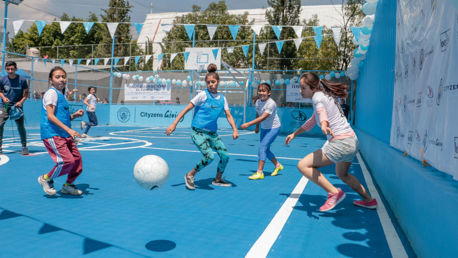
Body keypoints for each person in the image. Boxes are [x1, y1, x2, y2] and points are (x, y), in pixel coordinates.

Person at [285, 72, 377, 211]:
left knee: (303, 165)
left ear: (313, 88)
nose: (300, 90)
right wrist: (294, 134)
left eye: (303, 88)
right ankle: (369, 200)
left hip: (341, 143)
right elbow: (312, 120)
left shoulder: (317, 98)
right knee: (343, 174)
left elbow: (322, 114)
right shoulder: (325, 96)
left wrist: (324, 124)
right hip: (351, 141)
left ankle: (334, 193)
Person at [166, 64, 239, 190]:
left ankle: (217, 179)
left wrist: (235, 129)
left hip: (212, 134)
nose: (210, 84)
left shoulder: (222, 98)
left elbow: (229, 115)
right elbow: (187, 109)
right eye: (208, 82)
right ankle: (190, 175)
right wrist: (174, 124)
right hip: (198, 132)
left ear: (218, 82)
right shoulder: (202, 95)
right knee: (210, 156)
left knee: (225, 156)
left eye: (213, 82)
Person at [37, 66, 85, 196]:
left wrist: (74, 116)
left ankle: (68, 185)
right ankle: (46, 179)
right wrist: (70, 130)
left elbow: (61, 118)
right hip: (53, 133)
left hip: (63, 134)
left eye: (63, 76)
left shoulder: (61, 95)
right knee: (67, 161)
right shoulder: (51, 93)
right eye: (57, 77)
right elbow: (50, 116)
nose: (61, 79)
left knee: (77, 161)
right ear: (51, 80)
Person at [240, 83, 283, 180]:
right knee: (265, 149)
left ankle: (260, 172)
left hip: (274, 128)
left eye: (263, 91)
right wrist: (256, 127)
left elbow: (263, 117)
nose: (261, 93)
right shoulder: (258, 102)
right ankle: (278, 165)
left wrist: (248, 124)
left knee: (262, 147)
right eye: (259, 90)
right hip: (264, 128)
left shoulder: (271, 103)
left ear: (269, 93)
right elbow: (258, 114)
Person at [0, 61, 29, 155]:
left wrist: (21, 102)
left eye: (12, 69)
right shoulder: (2, 79)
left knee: (20, 126)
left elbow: (26, 93)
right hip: (4, 106)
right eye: (8, 69)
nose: (10, 71)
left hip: (17, 107)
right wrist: (3, 98)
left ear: (16, 69)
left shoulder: (22, 80)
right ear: (6, 69)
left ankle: (24, 146)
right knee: (0, 125)